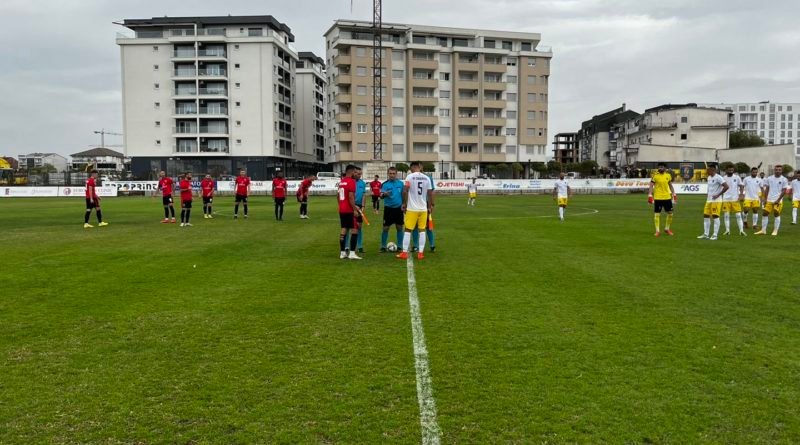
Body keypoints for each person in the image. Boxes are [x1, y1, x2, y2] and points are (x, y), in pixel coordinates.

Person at [397, 162, 433, 260]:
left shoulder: (410, 177)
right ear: (419, 167)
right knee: (422, 230)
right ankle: (420, 253)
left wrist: (404, 203)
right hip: (423, 209)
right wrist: (430, 206)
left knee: (408, 230)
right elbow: (430, 193)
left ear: (413, 167)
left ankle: (404, 252)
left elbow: (405, 191)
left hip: (412, 208)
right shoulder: (427, 178)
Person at [697, 165, 728, 240]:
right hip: (709, 200)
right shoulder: (709, 177)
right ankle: (706, 234)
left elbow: (726, 186)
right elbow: (710, 188)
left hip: (716, 201)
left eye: (708, 170)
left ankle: (715, 235)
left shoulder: (719, 177)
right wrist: (708, 194)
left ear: (713, 169)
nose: (707, 171)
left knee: (715, 216)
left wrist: (718, 195)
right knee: (706, 216)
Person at [755, 165, 788, 236]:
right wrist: (765, 199)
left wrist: (778, 200)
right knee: (765, 213)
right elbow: (767, 189)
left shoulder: (784, 179)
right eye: (776, 169)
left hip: (778, 201)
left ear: (781, 171)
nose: (778, 171)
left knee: (776, 214)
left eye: (779, 170)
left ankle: (775, 230)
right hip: (769, 200)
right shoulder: (769, 178)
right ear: (774, 170)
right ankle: (763, 230)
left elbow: (784, 191)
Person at [337, 165, 362, 260]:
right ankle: (352, 253)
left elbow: (337, 196)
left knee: (344, 229)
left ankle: (342, 253)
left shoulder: (342, 182)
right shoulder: (351, 181)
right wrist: (354, 209)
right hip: (349, 210)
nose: (356, 174)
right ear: (351, 172)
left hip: (342, 209)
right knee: (355, 229)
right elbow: (351, 197)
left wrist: (341, 205)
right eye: (355, 172)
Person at [380, 166, 405, 252]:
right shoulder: (385, 184)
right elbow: (381, 196)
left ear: (396, 174)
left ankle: (400, 246)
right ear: (388, 174)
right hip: (388, 209)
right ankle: (383, 246)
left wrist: (404, 204)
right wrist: (384, 194)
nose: (392, 175)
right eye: (390, 173)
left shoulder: (400, 184)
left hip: (398, 209)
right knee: (385, 228)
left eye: (393, 173)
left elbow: (403, 195)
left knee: (399, 227)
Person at [647, 162, 676, 237]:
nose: (660, 168)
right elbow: (651, 185)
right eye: (659, 167)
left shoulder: (668, 175)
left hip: (667, 197)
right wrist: (650, 195)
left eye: (662, 167)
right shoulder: (655, 176)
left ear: (665, 168)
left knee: (670, 213)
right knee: (657, 214)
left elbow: (670, 185)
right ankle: (657, 231)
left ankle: (667, 229)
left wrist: (674, 194)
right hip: (658, 197)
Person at [412, 173, 437, 252]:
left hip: (424, 204)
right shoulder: (412, 177)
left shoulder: (428, 178)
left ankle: (432, 245)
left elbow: (431, 192)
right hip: (415, 204)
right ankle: (416, 246)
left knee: (428, 225)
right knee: (415, 225)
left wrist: (431, 204)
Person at [721, 165, 745, 236]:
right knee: (726, 215)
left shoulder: (737, 177)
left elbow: (741, 186)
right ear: (726, 170)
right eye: (729, 170)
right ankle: (727, 231)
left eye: (732, 170)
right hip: (726, 199)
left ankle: (741, 231)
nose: (731, 171)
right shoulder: (723, 178)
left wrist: (741, 195)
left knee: (738, 215)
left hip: (735, 199)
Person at [354, 167, 367, 253]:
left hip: (359, 206)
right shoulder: (350, 182)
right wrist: (354, 206)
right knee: (349, 227)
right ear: (354, 173)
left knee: (359, 226)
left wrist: (363, 206)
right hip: (351, 206)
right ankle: (347, 246)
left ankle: (360, 246)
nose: (359, 175)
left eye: (360, 174)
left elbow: (363, 195)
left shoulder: (362, 183)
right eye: (358, 174)